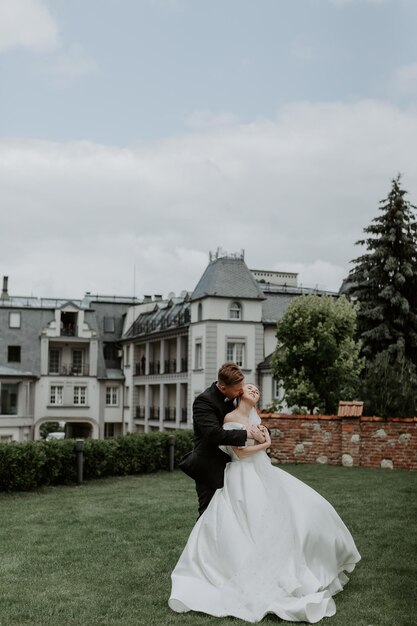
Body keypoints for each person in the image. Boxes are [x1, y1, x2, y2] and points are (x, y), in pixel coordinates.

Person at [170, 384, 361, 624]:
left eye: (257, 390)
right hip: (241, 476)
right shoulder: (229, 416)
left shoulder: (254, 416)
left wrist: (262, 435)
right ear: (239, 393)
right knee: (250, 522)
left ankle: (309, 558)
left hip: (263, 473)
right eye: (249, 387)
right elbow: (239, 454)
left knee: (308, 509)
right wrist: (265, 444)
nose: (254, 390)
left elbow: (260, 438)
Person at [178, 362, 266, 517]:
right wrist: (248, 434)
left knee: (232, 515)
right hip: (209, 467)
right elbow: (214, 434)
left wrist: (262, 432)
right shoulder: (203, 401)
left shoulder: (236, 399)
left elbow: (248, 420)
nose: (241, 392)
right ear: (224, 388)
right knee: (209, 513)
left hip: (233, 466)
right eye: (238, 390)